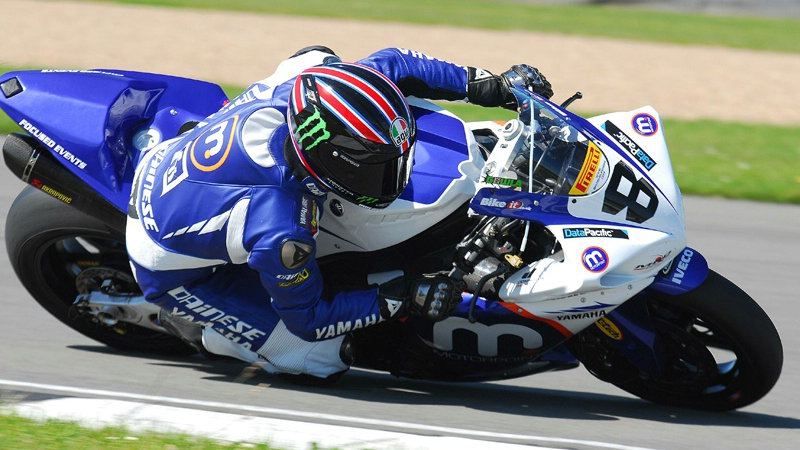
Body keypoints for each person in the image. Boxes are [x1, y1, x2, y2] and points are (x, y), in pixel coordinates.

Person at [125, 46, 553, 382]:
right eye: (373, 168)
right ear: (326, 158)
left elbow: (396, 63)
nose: (392, 177)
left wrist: (491, 86)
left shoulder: (316, 84)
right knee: (320, 357)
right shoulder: (279, 227)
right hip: (166, 256)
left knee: (318, 56)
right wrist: (405, 295)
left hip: (190, 158)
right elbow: (309, 320)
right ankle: (201, 330)